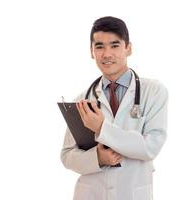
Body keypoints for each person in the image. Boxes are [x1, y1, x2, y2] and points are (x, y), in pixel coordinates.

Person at [60, 16, 168, 200]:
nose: (107, 54)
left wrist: (102, 128)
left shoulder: (154, 91)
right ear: (92, 52)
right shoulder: (82, 100)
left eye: (115, 45)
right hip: (90, 193)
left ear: (128, 48)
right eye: (99, 46)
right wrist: (98, 159)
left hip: (132, 192)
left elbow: (151, 147)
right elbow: (67, 155)